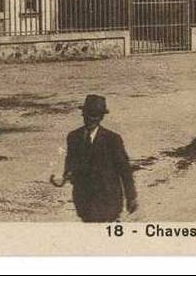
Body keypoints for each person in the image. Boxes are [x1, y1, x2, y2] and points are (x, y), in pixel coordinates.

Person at [57, 94, 138, 222]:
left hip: (109, 199)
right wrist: (66, 175)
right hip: (84, 200)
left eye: (95, 115)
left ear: (101, 117)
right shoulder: (73, 137)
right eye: (88, 114)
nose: (91, 119)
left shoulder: (112, 139)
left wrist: (131, 197)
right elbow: (71, 161)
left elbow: (125, 170)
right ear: (83, 114)